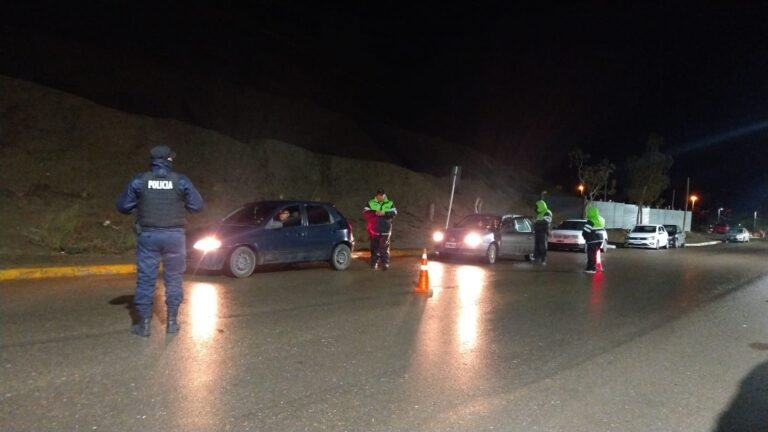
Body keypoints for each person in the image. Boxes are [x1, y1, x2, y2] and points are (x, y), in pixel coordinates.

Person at [116, 145, 204, 337]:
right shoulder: (181, 181)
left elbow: (123, 206)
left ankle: (144, 325)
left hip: (148, 236)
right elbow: (197, 206)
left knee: (146, 280)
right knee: (174, 280)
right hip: (174, 237)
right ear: (169, 161)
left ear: (153, 161)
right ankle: (172, 323)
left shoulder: (140, 180)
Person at [363, 188, 397, 270]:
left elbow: (394, 213)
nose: (380, 196)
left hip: (385, 229)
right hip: (374, 229)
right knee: (374, 247)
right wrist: (375, 213)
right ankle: (374, 263)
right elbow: (365, 213)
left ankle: (385, 263)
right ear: (376, 195)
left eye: (382, 195)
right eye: (379, 195)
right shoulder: (371, 203)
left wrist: (385, 213)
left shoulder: (390, 203)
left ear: (384, 195)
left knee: (384, 247)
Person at [582, 206, 606, 274]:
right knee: (595, 254)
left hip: (592, 240)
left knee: (591, 254)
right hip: (600, 240)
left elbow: (585, 231)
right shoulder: (601, 219)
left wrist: (584, 236)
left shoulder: (591, 221)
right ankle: (593, 267)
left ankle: (591, 269)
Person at [533, 199, 553, 265]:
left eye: (537, 206)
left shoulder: (547, 212)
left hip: (543, 231)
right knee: (537, 245)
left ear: (541, 206)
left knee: (542, 246)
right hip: (538, 231)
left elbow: (546, 221)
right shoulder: (540, 214)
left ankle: (543, 260)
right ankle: (536, 258)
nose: (536, 207)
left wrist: (536, 222)